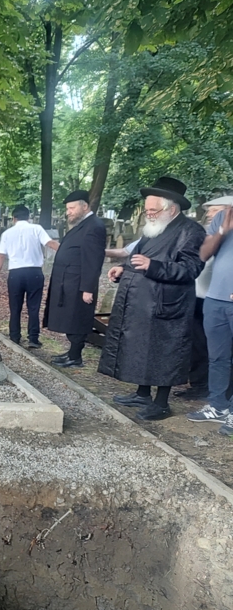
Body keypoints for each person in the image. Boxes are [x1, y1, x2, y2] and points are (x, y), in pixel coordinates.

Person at [98, 177, 206, 421]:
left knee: (164, 352)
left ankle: (161, 403)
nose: (149, 214)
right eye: (147, 210)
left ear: (172, 209)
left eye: (153, 210)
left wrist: (153, 266)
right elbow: (139, 257)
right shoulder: (153, 229)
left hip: (169, 305)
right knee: (142, 348)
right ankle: (143, 392)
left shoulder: (191, 232)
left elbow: (190, 269)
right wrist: (124, 269)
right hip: (142, 302)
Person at [42, 191, 107, 367]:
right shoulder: (83, 225)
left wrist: (87, 288)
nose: (68, 212)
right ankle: (71, 353)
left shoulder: (94, 227)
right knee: (70, 319)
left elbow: (93, 260)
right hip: (68, 282)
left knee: (77, 319)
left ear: (84, 206)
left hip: (79, 284)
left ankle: (75, 357)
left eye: (72, 208)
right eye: (67, 209)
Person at [187, 198, 233, 432]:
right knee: (218, 358)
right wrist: (222, 231)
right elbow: (204, 254)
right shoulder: (221, 218)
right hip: (215, 299)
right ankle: (218, 406)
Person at [0, 205, 58, 349]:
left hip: (15, 273)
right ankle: (33, 338)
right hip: (34, 272)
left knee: (15, 306)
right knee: (33, 306)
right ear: (29, 217)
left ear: (14, 218)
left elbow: (1, 255)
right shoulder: (36, 229)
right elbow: (50, 243)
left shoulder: (7, 233)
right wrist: (67, 250)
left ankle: (14, 336)